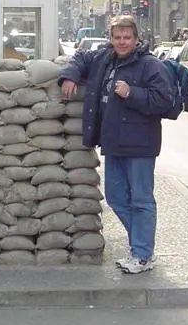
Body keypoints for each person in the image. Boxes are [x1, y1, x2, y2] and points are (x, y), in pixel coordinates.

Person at [58, 15, 173, 274]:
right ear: (111, 38)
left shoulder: (150, 65)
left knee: (141, 200)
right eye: (118, 37)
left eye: (127, 38)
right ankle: (142, 247)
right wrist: (70, 76)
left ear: (136, 39)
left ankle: (142, 254)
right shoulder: (104, 59)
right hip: (113, 142)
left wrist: (132, 93)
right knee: (116, 197)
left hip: (141, 145)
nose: (122, 42)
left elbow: (164, 102)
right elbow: (80, 57)